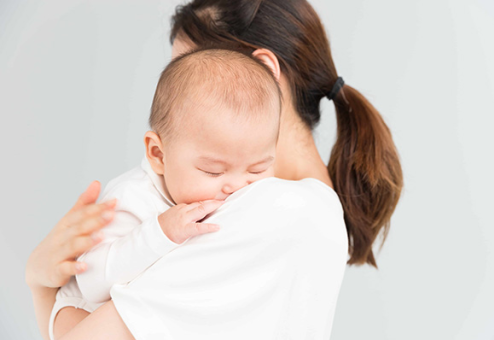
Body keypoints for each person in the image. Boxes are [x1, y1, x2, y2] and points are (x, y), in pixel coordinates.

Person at [26, 0, 403, 339]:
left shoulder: (280, 210)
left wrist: (42, 286)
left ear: (262, 72)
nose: (176, 98)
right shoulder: (304, 211)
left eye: (190, 73)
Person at [47, 46, 283, 339]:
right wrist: (161, 232)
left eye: (257, 169)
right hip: (82, 314)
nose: (236, 186)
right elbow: (92, 282)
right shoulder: (130, 197)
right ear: (158, 154)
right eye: (213, 171)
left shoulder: (260, 200)